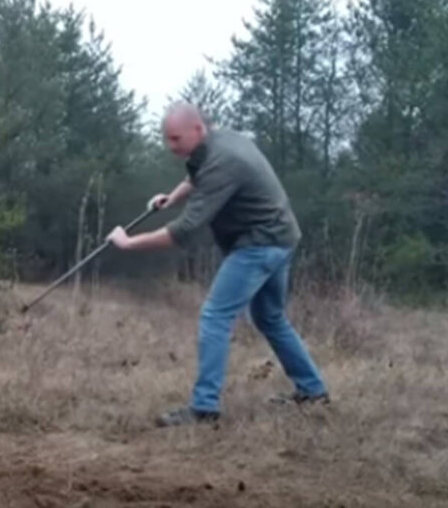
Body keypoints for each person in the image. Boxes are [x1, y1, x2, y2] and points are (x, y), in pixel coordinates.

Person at [106, 101, 329, 427]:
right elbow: (198, 175)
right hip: (281, 238)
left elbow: (182, 232)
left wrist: (128, 244)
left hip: (260, 244)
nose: (171, 147)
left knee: (215, 316)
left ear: (197, 129)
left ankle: (204, 408)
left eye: (176, 139)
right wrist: (173, 197)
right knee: (270, 318)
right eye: (167, 139)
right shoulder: (220, 141)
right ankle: (312, 390)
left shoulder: (224, 161)